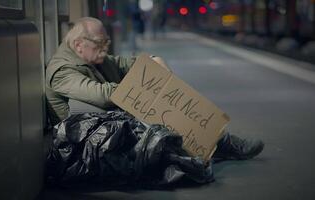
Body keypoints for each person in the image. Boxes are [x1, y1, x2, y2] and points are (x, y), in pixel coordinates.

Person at [45, 17, 264, 185]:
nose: (106, 48)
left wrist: (152, 62)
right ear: (78, 44)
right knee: (156, 119)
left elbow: (122, 63)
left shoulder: (94, 58)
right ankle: (213, 147)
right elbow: (101, 96)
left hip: (106, 133)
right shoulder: (62, 71)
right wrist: (142, 89)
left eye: (107, 42)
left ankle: (219, 141)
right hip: (84, 148)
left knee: (167, 104)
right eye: (99, 43)